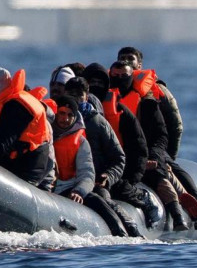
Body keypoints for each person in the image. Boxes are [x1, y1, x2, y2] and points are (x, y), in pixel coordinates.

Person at [117, 46, 197, 228]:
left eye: (131, 59)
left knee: (172, 168)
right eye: (123, 58)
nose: (127, 62)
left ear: (140, 64)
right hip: (128, 147)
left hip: (156, 145)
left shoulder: (157, 90)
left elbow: (175, 124)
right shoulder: (114, 90)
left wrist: (168, 154)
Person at [110, 60, 192, 231]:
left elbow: (162, 135)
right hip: (116, 159)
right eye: (115, 76)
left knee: (159, 176)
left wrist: (155, 157)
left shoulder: (147, 103)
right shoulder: (104, 102)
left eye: (124, 76)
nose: (119, 80)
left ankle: (177, 215)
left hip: (145, 157)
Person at [82, 63, 164, 227]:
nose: (96, 86)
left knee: (119, 189)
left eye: (100, 82)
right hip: (80, 173)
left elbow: (138, 148)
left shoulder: (119, 113)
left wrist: (132, 178)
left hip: (111, 172)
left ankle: (140, 201)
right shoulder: (67, 115)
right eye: (92, 82)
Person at [50, 96, 138, 237]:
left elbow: (87, 173)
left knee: (97, 200)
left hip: (69, 189)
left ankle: (121, 234)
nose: (65, 119)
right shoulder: (45, 134)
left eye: (70, 115)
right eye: (62, 113)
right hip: (47, 190)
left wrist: (79, 191)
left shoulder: (81, 142)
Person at [0, 67, 54, 190]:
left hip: (29, 167)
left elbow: (3, 146)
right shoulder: (15, 99)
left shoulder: (15, 108)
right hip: (31, 159)